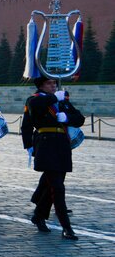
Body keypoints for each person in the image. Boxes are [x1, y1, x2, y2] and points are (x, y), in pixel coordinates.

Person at [21, 77, 85, 240]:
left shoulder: (61, 101)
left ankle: (38, 215)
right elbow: (33, 114)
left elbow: (80, 118)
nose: (54, 86)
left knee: (53, 185)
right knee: (58, 188)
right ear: (41, 86)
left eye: (54, 84)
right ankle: (67, 227)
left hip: (62, 146)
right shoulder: (34, 99)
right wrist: (28, 145)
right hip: (46, 145)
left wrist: (67, 118)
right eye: (50, 83)